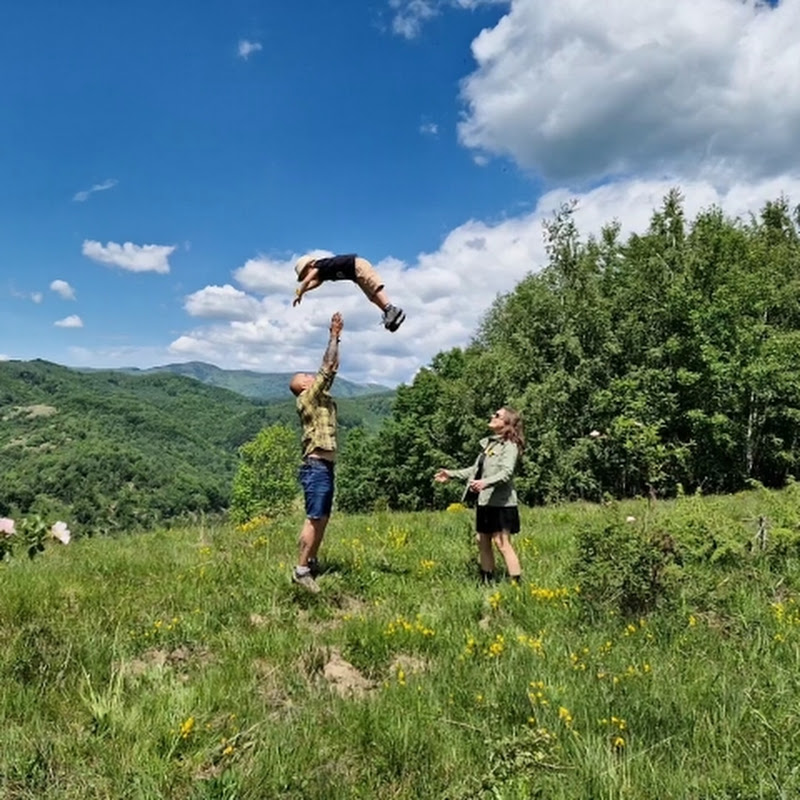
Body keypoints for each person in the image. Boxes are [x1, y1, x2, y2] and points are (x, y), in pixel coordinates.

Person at [435, 407, 525, 584]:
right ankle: (487, 582)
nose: (492, 416)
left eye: (497, 415)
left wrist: (486, 482)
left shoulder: (510, 446)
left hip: (501, 503)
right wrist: (451, 474)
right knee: (482, 540)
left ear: (507, 423)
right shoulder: (490, 444)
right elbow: (475, 470)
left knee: (501, 543)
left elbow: (506, 473)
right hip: (485, 502)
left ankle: (516, 585)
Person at [288, 311, 344, 593]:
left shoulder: (318, 395)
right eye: (307, 376)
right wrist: (333, 335)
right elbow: (326, 367)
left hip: (324, 465)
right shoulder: (307, 397)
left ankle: (311, 561)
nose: (312, 376)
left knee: (322, 516)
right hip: (316, 465)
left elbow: (331, 368)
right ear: (303, 386)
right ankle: (301, 570)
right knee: (314, 516)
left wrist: (338, 340)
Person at [293, 253, 406, 332]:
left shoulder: (319, 265)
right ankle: (388, 312)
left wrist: (299, 292)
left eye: (305, 274)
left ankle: (391, 308)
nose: (307, 278)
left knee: (373, 286)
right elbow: (316, 283)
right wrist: (304, 291)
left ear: (310, 265)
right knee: (371, 296)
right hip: (355, 275)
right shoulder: (322, 274)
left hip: (358, 266)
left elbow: (308, 280)